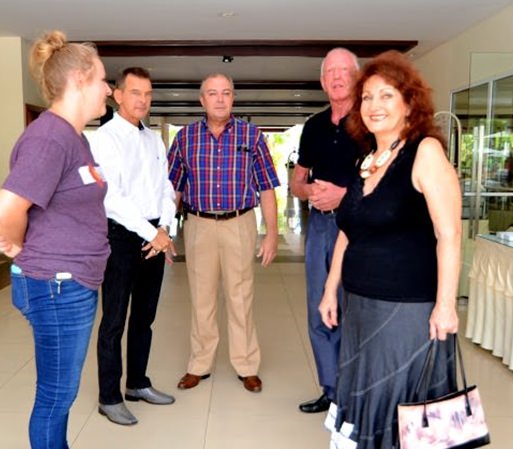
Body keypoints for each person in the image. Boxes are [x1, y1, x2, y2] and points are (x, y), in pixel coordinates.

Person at [319, 50, 461, 449]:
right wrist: (331, 288)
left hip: (406, 311)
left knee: (404, 410)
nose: (373, 106)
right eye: (366, 97)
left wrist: (446, 305)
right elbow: (349, 232)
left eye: (386, 96)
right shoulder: (366, 161)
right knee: (369, 400)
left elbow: (449, 233)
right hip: (360, 305)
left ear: (408, 103)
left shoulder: (425, 152)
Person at [0, 31, 112, 449]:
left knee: (61, 394)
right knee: (56, 397)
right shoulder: (49, 137)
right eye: (102, 80)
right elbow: (5, 210)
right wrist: (21, 250)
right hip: (57, 284)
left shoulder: (72, 136)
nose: (107, 89)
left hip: (69, 281)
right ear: (78, 80)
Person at [168, 73, 280, 393]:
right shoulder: (186, 138)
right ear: (202, 100)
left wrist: (271, 233)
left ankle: (246, 364)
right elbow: (173, 189)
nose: (220, 99)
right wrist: (164, 229)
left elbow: (267, 188)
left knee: (240, 296)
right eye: (212, 93)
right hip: (199, 225)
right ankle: (199, 364)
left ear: (233, 98)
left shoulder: (252, 135)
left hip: (239, 224)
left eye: (226, 93)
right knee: (201, 298)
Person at [89, 67, 177, 426]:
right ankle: (109, 397)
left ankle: (137, 383)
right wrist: (149, 232)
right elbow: (112, 197)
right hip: (121, 238)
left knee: (145, 316)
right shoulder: (105, 138)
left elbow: (166, 188)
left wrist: (165, 227)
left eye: (148, 94)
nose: (143, 100)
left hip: (153, 234)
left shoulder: (153, 139)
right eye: (135, 92)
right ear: (118, 95)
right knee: (113, 320)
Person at [289, 48, 360, 414]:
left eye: (343, 70)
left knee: (352, 308)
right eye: (330, 71)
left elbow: (385, 180)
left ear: (356, 76)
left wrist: (342, 195)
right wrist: (309, 191)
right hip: (319, 227)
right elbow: (297, 179)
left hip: (358, 229)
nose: (336, 77)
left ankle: (353, 392)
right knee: (320, 307)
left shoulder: (371, 120)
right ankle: (331, 390)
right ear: (322, 81)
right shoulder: (314, 126)